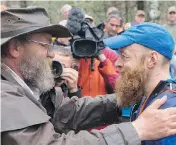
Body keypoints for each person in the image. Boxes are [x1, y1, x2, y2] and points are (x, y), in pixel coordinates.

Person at [2, 7, 176, 145]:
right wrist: (135, 130)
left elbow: (67, 112)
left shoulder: (29, 87)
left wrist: (126, 98)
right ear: (15, 48)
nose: (51, 54)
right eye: (45, 45)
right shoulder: (5, 97)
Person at [104, 22, 176, 145]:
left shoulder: (168, 112)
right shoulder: (143, 95)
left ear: (152, 59)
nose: (117, 63)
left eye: (125, 56)